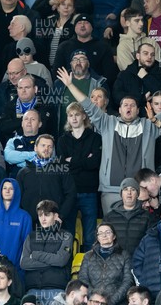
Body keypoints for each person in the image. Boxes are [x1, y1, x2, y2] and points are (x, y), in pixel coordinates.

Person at [56, 64, 161, 214]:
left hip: (140, 191)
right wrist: (70, 84)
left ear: (138, 110)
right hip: (111, 190)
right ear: (119, 109)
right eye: (125, 104)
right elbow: (88, 105)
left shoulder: (148, 125)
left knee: (137, 230)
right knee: (111, 230)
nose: (129, 107)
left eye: (133, 105)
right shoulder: (107, 123)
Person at [57, 102, 102, 251]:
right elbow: (63, 164)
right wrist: (84, 160)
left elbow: (94, 163)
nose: (74, 118)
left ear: (84, 116)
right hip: (68, 193)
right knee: (68, 235)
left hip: (89, 191)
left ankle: (88, 270)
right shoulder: (63, 139)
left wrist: (73, 160)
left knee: (90, 236)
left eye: (77, 114)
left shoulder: (95, 138)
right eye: (70, 115)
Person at [21, 200, 73, 305]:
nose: (43, 218)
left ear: (55, 216)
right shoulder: (31, 236)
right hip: (32, 290)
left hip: (57, 289)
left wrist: (36, 255)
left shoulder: (66, 235)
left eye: (47, 215)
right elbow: (24, 263)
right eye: (40, 215)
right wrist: (52, 262)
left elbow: (61, 261)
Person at [16, 135, 76, 225]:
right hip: (29, 223)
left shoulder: (62, 170)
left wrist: (60, 215)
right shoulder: (23, 172)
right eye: (43, 145)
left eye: (50, 146)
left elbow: (71, 194)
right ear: (35, 148)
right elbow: (17, 197)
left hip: (54, 223)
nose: (46, 149)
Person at [0, 178, 32, 277]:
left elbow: (27, 246)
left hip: (17, 271)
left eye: (11, 188)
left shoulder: (25, 217)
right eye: (4, 188)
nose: (7, 191)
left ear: (17, 192)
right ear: (0, 191)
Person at [78, 223, 133, 305]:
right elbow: (83, 278)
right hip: (93, 302)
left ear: (114, 236)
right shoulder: (88, 256)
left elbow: (128, 281)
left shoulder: (124, 255)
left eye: (108, 232)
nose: (104, 235)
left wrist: (111, 301)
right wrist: (95, 299)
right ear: (97, 237)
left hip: (116, 302)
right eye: (100, 233)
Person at [112, 43, 161, 111]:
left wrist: (146, 77)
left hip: (156, 116)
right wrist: (141, 98)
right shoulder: (125, 74)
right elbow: (117, 96)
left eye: (152, 54)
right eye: (145, 53)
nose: (149, 57)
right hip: (131, 116)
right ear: (138, 56)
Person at [103, 178, 153, 256]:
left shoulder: (147, 217)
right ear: (121, 194)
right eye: (125, 189)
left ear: (137, 194)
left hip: (138, 261)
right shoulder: (109, 217)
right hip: (115, 262)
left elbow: (150, 243)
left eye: (133, 189)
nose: (129, 193)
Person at [116, 7, 161, 72]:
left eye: (142, 20)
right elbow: (128, 72)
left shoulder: (151, 42)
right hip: (133, 81)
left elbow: (159, 67)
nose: (141, 24)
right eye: (137, 21)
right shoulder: (123, 46)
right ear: (127, 23)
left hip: (153, 80)